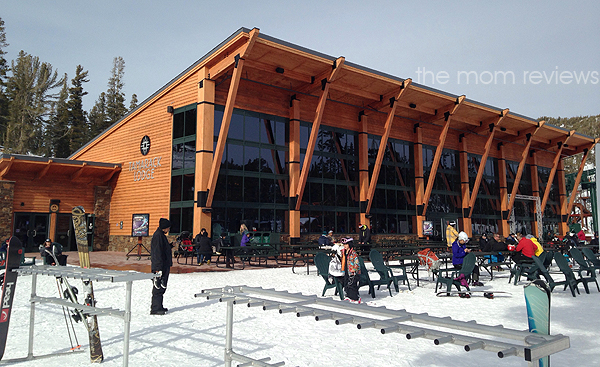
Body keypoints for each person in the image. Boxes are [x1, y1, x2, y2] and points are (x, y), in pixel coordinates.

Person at [150, 218, 173, 315]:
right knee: (158, 286)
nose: (169, 229)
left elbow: (163, 249)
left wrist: (170, 246)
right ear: (165, 227)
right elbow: (157, 253)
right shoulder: (158, 236)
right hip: (160, 266)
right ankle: (155, 308)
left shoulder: (161, 235)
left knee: (162, 286)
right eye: (168, 227)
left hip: (163, 265)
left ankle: (159, 305)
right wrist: (158, 269)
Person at [340, 237, 361, 303]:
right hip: (346, 270)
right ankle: (348, 296)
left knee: (352, 284)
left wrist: (354, 269)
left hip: (352, 271)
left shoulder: (353, 253)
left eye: (346, 244)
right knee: (346, 283)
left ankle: (355, 297)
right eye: (344, 244)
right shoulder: (344, 252)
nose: (345, 246)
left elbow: (357, 263)